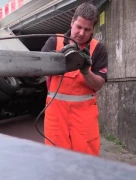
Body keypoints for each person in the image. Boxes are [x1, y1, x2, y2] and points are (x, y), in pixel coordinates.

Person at [41, 2, 108, 156]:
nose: (81, 33)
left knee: (86, 159)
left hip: (84, 117)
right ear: (72, 21)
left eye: (87, 29)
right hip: (56, 114)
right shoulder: (54, 42)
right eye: (78, 27)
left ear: (93, 29)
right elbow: (37, 70)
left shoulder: (98, 49)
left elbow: (98, 85)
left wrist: (85, 70)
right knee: (56, 159)